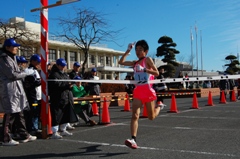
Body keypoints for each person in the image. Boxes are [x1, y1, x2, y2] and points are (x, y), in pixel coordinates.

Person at [118, 40, 161, 149]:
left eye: (140, 50)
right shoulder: (135, 63)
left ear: (146, 51)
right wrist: (128, 50)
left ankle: (159, 106)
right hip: (138, 91)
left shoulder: (148, 60)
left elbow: (157, 73)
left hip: (148, 91)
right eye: (136, 49)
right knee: (135, 115)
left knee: (151, 117)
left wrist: (145, 69)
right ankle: (133, 139)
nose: (137, 52)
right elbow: (121, 62)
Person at [0, 38, 37, 146]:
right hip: (8, 89)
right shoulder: (3, 58)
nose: (16, 48)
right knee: (9, 113)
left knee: (19, 112)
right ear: (7, 47)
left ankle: (23, 134)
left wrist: (23, 72)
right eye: (14, 46)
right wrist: (25, 73)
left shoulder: (11, 57)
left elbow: (16, 72)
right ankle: (5, 138)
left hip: (15, 89)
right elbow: (12, 74)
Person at [48, 58, 79, 139]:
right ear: (57, 65)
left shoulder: (65, 74)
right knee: (56, 114)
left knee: (65, 114)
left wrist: (71, 85)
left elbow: (67, 82)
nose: (63, 67)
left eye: (64, 66)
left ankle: (63, 129)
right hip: (57, 97)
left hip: (66, 96)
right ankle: (55, 132)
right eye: (61, 66)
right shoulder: (54, 74)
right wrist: (67, 85)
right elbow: (56, 85)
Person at [23, 54, 42, 135]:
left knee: (37, 112)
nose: (39, 64)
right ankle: (32, 128)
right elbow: (27, 85)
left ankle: (36, 127)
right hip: (32, 95)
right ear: (33, 61)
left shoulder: (36, 71)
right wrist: (36, 83)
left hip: (38, 95)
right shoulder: (28, 71)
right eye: (37, 62)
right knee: (33, 112)